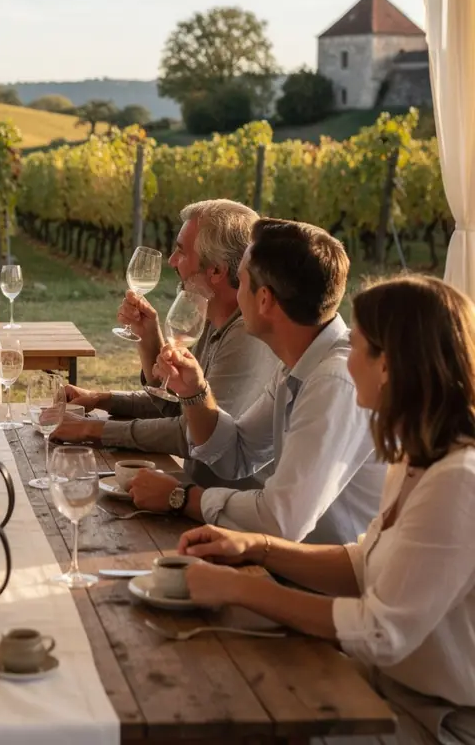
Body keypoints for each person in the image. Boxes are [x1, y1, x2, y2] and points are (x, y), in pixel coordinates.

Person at [178, 276, 475, 745]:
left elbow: (379, 631)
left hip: (437, 720)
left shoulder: (460, 481)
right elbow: (364, 563)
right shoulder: (417, 457)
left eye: (356, 344)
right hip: (384, 685)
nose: (345, 353)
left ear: (389, 366)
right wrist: (256, 547)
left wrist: (240, 589)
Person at [127, 218, 384, 545]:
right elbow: (238, 453)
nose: (234, 294)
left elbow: (281, 519)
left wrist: (180, 497)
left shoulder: (335, 380)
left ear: (264, 300)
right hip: (287, 563)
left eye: (242, 281)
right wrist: (194, 392)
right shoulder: (301, 361)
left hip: (321, 582)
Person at [55, 199, 280, 489]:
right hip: (199, 492)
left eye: (181, 251)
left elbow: (190, 432)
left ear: (216, 271)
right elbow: (182, 405)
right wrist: (103, 397)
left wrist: (94, 428)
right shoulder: (213, 319)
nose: (172, 261)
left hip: (223, 510)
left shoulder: (246, 337)